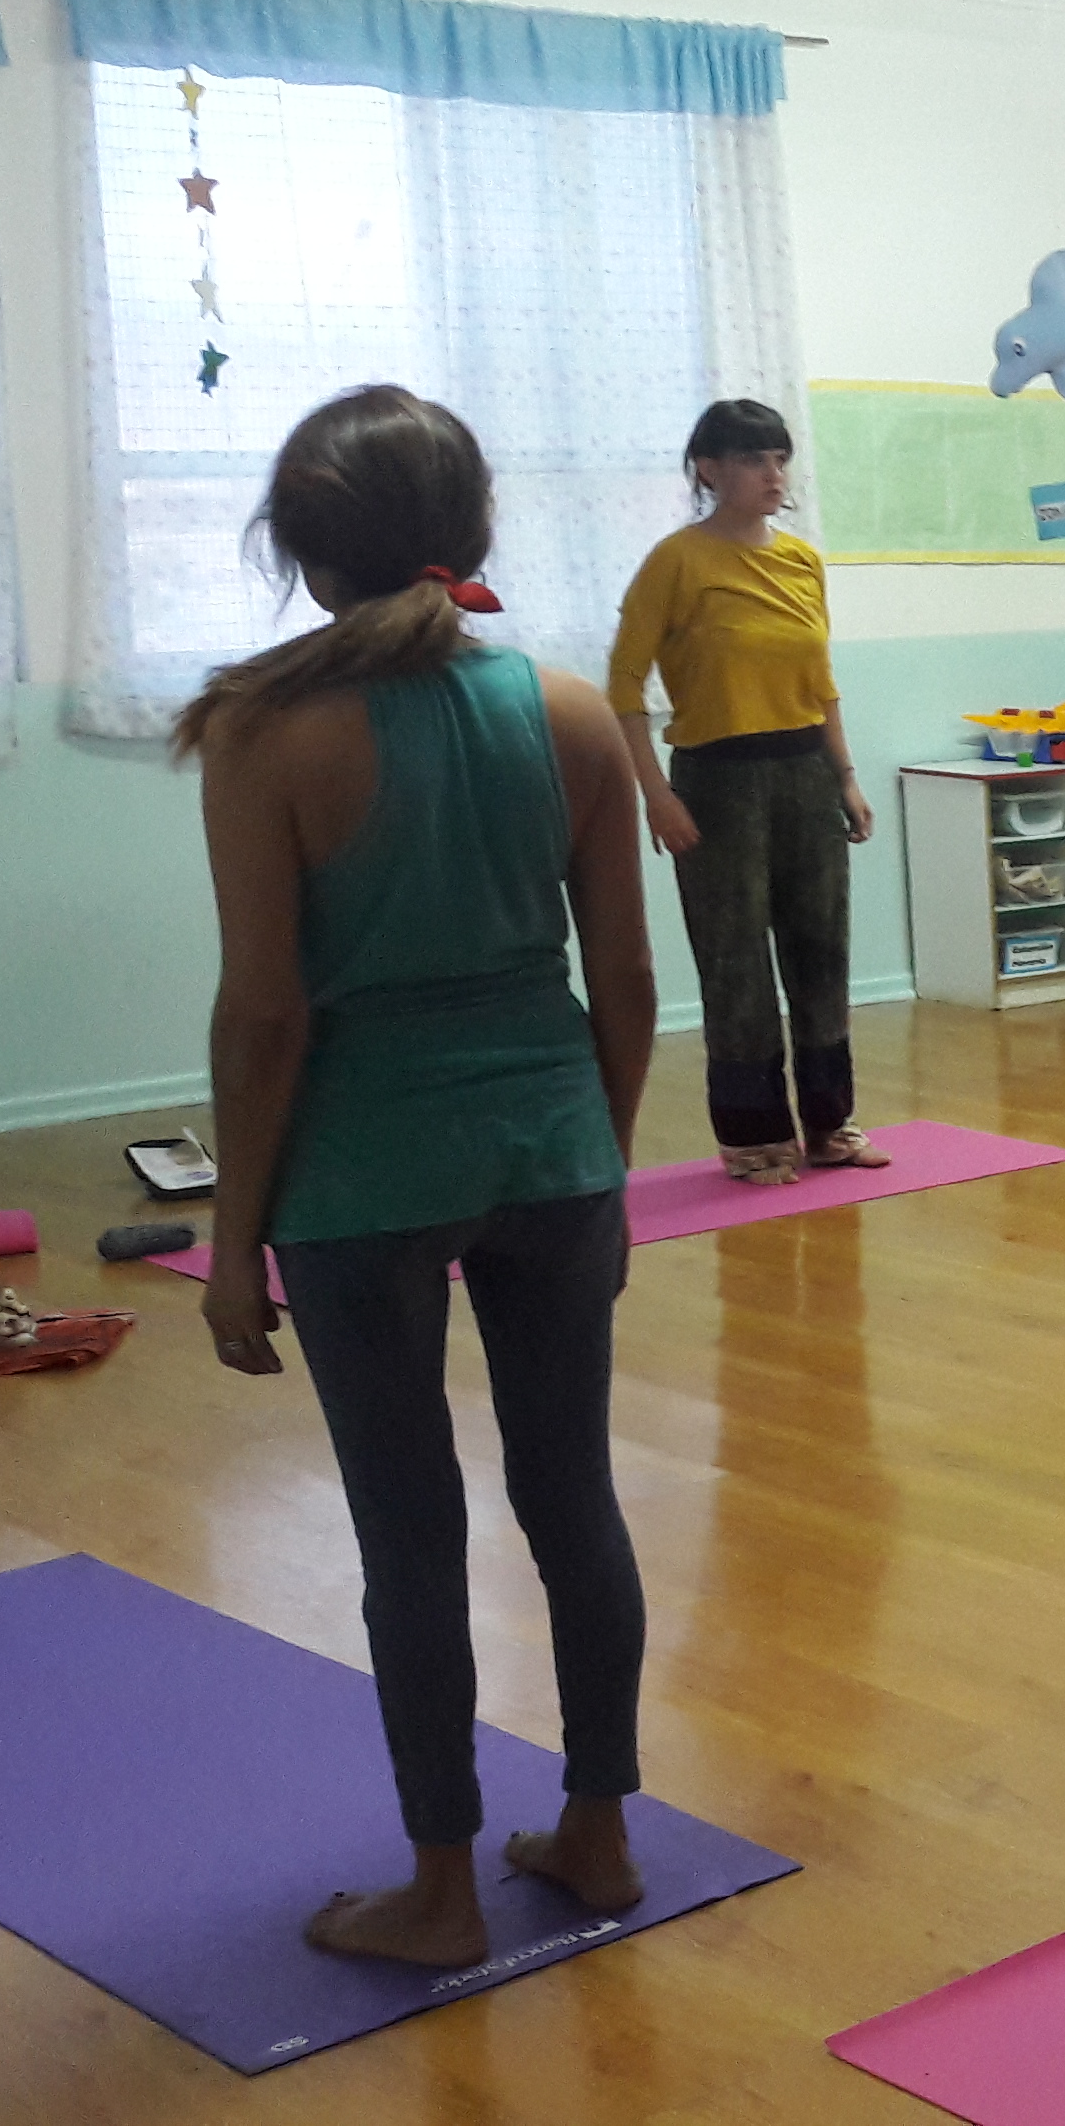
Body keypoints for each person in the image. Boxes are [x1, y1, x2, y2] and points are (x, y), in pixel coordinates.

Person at [181, 385, 661, 1966]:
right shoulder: (571, 711)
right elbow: (627, 981)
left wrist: (233, 1246)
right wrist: (599, 1163)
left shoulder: (264, 730)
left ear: (304, 553)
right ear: (471, 532)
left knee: (408, 1531)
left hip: (362, 1172)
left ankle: (442, 1889)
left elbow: (264, 1018)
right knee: (572, 1494)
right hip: (552, 1150)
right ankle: (598, 1833)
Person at [604, 399, 888, 1184]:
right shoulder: (676, 561)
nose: (773, 475)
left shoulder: (801, 562)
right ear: (710, 469)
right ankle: (753, 1137)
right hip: (716, 781)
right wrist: (656, 796)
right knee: (735, 962)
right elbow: (623, 686)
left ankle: (829, 1124)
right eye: (754, 460)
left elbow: (821, 684)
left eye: (779, 459)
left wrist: (846, 778)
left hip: (805, 771)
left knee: (821, 950)